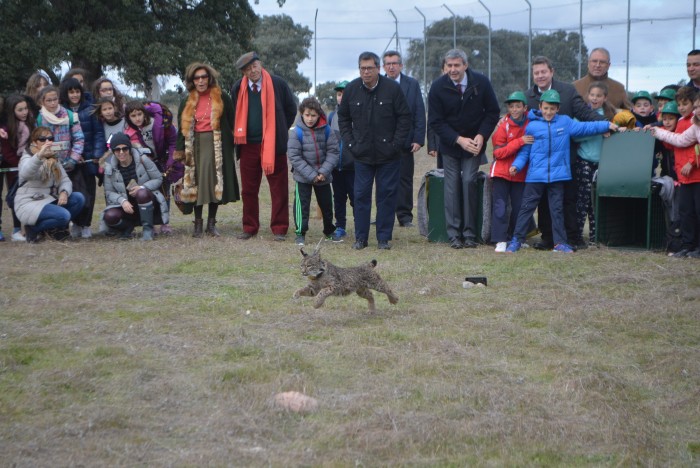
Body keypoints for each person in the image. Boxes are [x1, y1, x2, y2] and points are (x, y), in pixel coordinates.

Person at [506, 89, 620, 253]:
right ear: (540, 106)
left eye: (552, 109)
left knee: (557, 210)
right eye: (546, 108)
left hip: (558, 177)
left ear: (558, 109)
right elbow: (525, 151)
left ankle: (559, 243)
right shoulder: (532, 126)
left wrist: (606, 124)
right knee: (526, 208)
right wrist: (517, 165)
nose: (549, 112)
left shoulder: (565, 122)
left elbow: (585, 127)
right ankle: (516, 240)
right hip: (535, 177)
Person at [525, 55, 606, 250]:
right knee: (544, 202)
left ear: (551, 71)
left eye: (543, 71)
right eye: (536, 73)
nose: (540, 76)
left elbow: (584, 114)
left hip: (564, 158)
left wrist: (605, 125)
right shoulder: (528, 96)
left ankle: (570, 238)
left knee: (568, 199)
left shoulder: (568, 92)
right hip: (541, 161)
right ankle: (548, 238)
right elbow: (520, 118)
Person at [338, 51, 412, 250]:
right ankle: (361, 238)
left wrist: (395, 144)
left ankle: (383, 238)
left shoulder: (392, 90)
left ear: (378, 69)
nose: (366, 72)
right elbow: (343, 118)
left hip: (389, 156)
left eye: (370, 68)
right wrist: (351, 143)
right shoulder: (352, 90)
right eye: (362, 68)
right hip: (361, 155)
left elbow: (404, 118)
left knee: (386, 196)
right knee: (360, 196)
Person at [428, 48, 500, 249]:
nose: (453, 70)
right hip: (451, 144)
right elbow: (435, 121)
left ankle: (469, 233)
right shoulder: (437, 87)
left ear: (465, 66)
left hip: (474, 144)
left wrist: (481, 135)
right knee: (452, 185)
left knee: (468, 180)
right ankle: (454, 234)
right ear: (445, 67)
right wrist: (458, 139)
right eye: (449, 66)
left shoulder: (481, 82)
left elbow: (493, 112)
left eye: (457, 65)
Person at [230, 51, 297, 241]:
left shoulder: (278, 84)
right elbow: (236, 113)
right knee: (249, 189)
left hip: (273, 145)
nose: (252, 71)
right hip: (248, 145)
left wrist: (279, 129)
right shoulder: (238, 88)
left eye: (254, 66)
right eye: (247, 69)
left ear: (260, 64)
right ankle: (249, 227)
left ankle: (279, 228)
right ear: (243, 72)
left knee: (279, 188)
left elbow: (290, 109)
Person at [174, 62, 239, 237]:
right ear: (192, 80)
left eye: (204, 77)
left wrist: (234, 142)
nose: (201, 81)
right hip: (194, 145)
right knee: (195, 183)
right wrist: (179, 151)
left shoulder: (222, 97)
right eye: (197, 78)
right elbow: (181, 128)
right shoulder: (186, 101)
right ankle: (197, 224)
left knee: (214, 183)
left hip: (216, 143)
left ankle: (211, 224)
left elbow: (233, 121)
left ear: (209, 78)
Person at [648, 92, 700, 258]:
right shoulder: (685, 122)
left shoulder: (692, 123)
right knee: (685, 212)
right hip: (684, 178)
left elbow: (690, 145)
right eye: (680, 104)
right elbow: (678, 141)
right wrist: (656, 130)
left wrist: (691, 162)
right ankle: (687, 246)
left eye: (687, 104)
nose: (683, 107)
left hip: (696, 176)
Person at [14, 127, 85, 243]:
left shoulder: (53, 158)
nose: (47, 142)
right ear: (34, 142)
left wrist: (64, 192)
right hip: (28, 202)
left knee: (78, 198)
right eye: (42, 139)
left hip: (46, 199)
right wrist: (39, 156)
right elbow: (25, 173)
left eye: (50, 138)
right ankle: (33, 229)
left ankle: (57, 231)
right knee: (64, 216)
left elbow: (65, 180)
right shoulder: (27, 157)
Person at [382, 50, 426, 228]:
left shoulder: (412, 84)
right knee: (384, 180)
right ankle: (384, 214)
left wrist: (418, 138)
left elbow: (419, 113)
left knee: (405, 179)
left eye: (395, 63)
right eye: (388, 63)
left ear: (401, 65)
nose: (391, 66)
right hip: (383, 142)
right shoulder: (378, 83)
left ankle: (405, 216)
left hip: (406, 141)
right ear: (383, 67)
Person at [287, 97, 339, 246]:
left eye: (313, 115)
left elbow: (333, 152)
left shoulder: (327, 130)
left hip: (324, 176)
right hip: (303, 177)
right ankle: (300, 234)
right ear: (302, 114)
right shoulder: (296, 132)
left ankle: (329, 231)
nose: (310, 119)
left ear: (319, 115)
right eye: (307, 115)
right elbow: (294, 156)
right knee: (302, 206)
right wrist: (312, 175)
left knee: (327, 205)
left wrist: (323, 172)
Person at [123, 100, 180, 234]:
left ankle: (165, 223)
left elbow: (173, 140)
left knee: (165, 194)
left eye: (139, 114)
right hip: (144, 166)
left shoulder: (159, 123)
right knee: (148, 193)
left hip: (163, 162)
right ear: (128, 117)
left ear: (144, 113)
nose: (137, 118)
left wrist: (171, 161)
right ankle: (151, 223)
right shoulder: (130, 131)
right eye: (133, 116)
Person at [59, 77, 105, 238]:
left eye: (77, 91)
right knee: (73, 193)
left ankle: (86, 224)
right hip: (70, 160)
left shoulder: (90, 108)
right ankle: (75, 223)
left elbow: (99, 133)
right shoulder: (61, 111)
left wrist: (97, 154)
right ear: (66, 93)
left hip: (89, 159)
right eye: (71, 92)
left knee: (89, 193)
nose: (74, 95)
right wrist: (73, 155)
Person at [101, 133, 168, 241]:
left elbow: (158, 179)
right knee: (110, 216)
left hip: (147, 202)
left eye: (125, 148)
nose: (121, 152)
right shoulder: (109, 168)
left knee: (141, 193)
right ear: (113, 151)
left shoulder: (143, 159)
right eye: (117, 150)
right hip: (126, 206)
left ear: (130, 148)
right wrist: (122, 201)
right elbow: (109, 192)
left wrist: (142, 187)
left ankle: (148, 230)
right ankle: (127, 228)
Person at [489, 91, 531, 253]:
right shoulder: (503, 126)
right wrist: (519, 142)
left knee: (519, 207)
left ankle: (517, 237)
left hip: (520, 174)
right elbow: (498, 153)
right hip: (501, 173)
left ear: (524, 107)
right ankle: (500, 239)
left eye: (518, 106)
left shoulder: (530, 122)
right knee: (500, 206)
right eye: (511, 106)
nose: (514, 110)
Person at [573, 82, 613, 245]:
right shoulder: (581, 114)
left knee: (597, 200)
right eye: (592, 95)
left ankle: (596, 237)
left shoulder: (609, 116)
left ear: (605, 98)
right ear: (587, 96)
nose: (595, 98)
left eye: (599, 95)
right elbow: (576, 135)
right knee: (582, 199)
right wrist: (596, 130)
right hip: (584, 161)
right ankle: (576, 235)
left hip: (602, 163)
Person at [0, 95, 35, 241]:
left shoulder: (31, 123)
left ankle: (26, 228)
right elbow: (7, 151)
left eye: (26, 108)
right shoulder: (7, 128)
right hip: (12, 166)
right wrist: (20, 164)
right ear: (12, 111)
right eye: (20, 110)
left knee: (25, 196)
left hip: (27, 164)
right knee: (13, 196)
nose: (24, 112)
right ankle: (15, 229)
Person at [328, 80, 354, 243]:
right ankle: (340, 226)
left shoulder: (358, 115)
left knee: (356, 198)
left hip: (353, 167)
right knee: (338, 198)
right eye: (339, 94)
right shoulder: (331, 116)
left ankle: (360, 226)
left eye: (344, 94)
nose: (341, 97)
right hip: (336, 167)